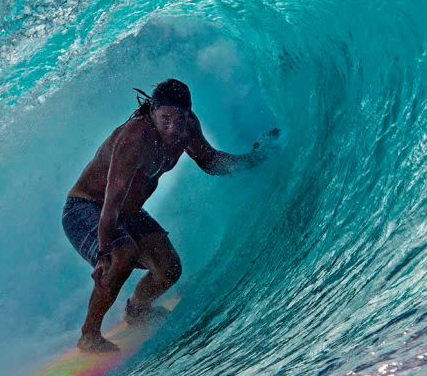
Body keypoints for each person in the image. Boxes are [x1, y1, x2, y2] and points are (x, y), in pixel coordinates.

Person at [61, 78, 278, 352]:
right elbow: (111, 205)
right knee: (122, 255)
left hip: (127, 212)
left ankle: (137, 311)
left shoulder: (187, 128)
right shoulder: (134, 140)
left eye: (180, 118)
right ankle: (88, 336)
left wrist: (250, 159)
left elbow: (210, 162)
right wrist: (104, 255)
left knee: (169, 269)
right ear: (152, 111)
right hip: (88, 208)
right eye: (166, 118)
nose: (173, 127)